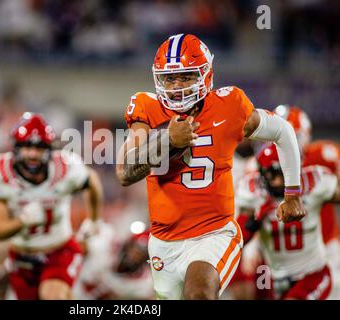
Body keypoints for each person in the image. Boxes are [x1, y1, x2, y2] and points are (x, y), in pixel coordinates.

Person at [115, 33, 305, 300]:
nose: (177, 86)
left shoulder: (229, 106)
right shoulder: (146, 108)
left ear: (205, 75)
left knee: (200, 294)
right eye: (170, 78)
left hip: (214, 233)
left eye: (186, 76)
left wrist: (293, 193)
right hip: (163, 241)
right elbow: (125, 171)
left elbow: (283, 130)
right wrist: (168, 141)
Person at [0, 112, 103, 300]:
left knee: (53, 295)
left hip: (59, 251)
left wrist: (93, 220)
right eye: (27, 147)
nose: (33, 155)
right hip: (22, 258)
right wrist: (23, 221)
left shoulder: (65, 168)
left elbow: (92, 180)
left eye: (39, 148)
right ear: (15, 148)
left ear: (49, 150)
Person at [236, 143, 340, 299]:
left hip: (313, 275)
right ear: (262, 172)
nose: (278, 181)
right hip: (276, 281)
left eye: (283, 173)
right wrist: (254, 220)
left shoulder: (315, 181)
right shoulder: (253, 192)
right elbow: (239, 238)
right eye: (272, 174)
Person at [274, 104, 340, 298]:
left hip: (324, 247)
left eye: (292, 136)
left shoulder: (322, 156)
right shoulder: (262, 167)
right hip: (281, 255)